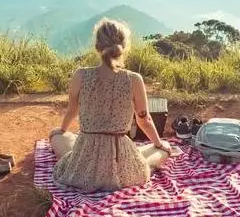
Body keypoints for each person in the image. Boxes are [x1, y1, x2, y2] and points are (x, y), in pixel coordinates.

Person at [49, 18, 173, 193]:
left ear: (97, 47)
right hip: (120, 157)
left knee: (57, 137)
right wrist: (159, 143)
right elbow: (144, 120)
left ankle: (73, 151)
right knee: (159, 150)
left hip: (85, 156)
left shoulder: (80, 75)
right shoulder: (134, 79)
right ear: (123, 47)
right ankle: (162, 149)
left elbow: (72, 110)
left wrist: (61, 129)